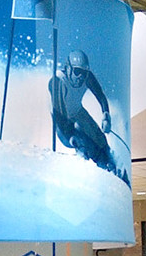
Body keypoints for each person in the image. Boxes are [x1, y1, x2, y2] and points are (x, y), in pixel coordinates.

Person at [49, 50, 126, 180]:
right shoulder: (58, 80)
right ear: (68, 68)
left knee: (99, 138)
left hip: (78, 111)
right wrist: (70, 135)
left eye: (83, 73)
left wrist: (106, 116)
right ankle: (94, 169)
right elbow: (59, 114)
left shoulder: (87, 77)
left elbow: (100, 95)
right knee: (82, 140)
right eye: (77, 72)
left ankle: (111, 164)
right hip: (61, 118)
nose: (80, 77)